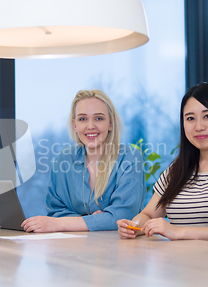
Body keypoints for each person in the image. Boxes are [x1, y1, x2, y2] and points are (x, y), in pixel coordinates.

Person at [117, 83, 208, 244]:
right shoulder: (177, 170)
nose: (199, 126)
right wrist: (133, 226)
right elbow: (148, 215)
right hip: (182, 264)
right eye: (190, 118)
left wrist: (178, 232)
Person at [22, 89, 145, 233]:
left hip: (119, 249)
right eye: (82, 119)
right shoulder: (65, 159)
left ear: (111, 124)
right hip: (75, 248)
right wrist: (93, 220)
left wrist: (63, 223)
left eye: (99, 118)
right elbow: (56, 211)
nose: (90, 126)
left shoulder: (129, 157)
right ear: (75, 125)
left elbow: (123, 217)